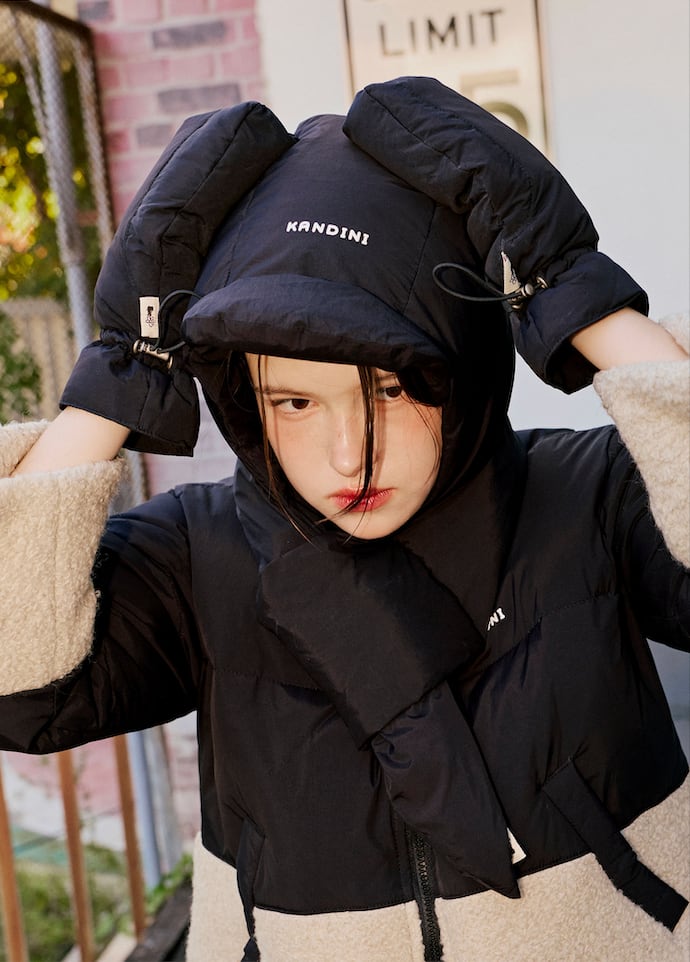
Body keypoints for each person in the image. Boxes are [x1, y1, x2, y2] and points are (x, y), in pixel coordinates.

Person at [0, 77, 688, 962]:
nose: (346, 456)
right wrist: (124, 362)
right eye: (293, 401)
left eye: (391, 388)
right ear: (243, 403)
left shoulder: (590, 495)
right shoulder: (194, 558)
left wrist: (574, 284)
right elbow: (21, 686)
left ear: (464, 368)